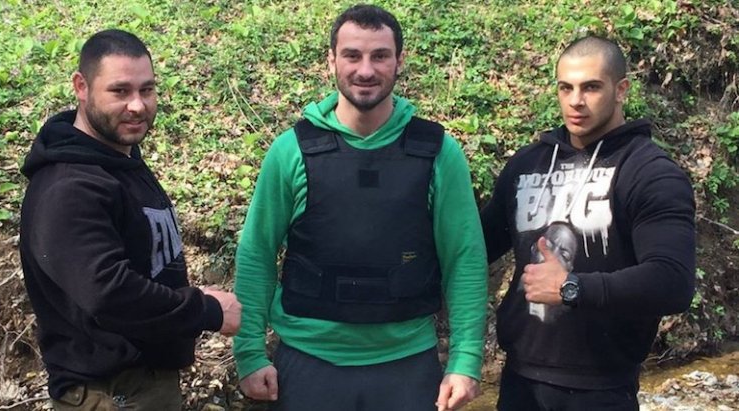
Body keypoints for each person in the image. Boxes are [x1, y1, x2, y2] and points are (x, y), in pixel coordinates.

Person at [233, 4, 488, 411]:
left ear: (399, 61)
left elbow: (465, 257)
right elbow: (257, 252)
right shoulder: (290, 151)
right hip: (307, 363)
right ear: (331, 60)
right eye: (352, 55)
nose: (365, 70)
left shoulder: (438, 152)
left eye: (380, 56)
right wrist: (249, 352)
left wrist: (466, 359)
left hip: (407, 367)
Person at [19, 29, 241, 410]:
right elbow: (109, 293)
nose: (137, 105)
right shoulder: (69, 188)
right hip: (112, 393)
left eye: (147, 90)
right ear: (81, 87)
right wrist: (204, 310)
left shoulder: (120, 160)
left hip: (143, 386)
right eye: (120, 91)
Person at [480, 35, 696, 410]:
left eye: (591, 87)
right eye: (565, 88)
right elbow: (474, 247)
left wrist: (572, 287)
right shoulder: (527, 164)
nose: (575, 101)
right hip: (520, 381)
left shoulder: (650, 172)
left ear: (621, 89)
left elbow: (672, 281)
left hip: (602, 388)